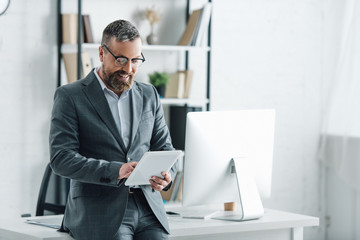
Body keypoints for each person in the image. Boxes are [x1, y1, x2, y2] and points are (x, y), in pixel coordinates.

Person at [49, 19, 177, 240]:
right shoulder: (70, 96)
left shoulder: (149, 94)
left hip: (148, 208)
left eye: (136, 60)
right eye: (120, 59)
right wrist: (116, 170)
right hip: (100, 210)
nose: (128, 69)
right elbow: (61, 159)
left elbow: (165, 147)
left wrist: (167, 176)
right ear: (101, 53)